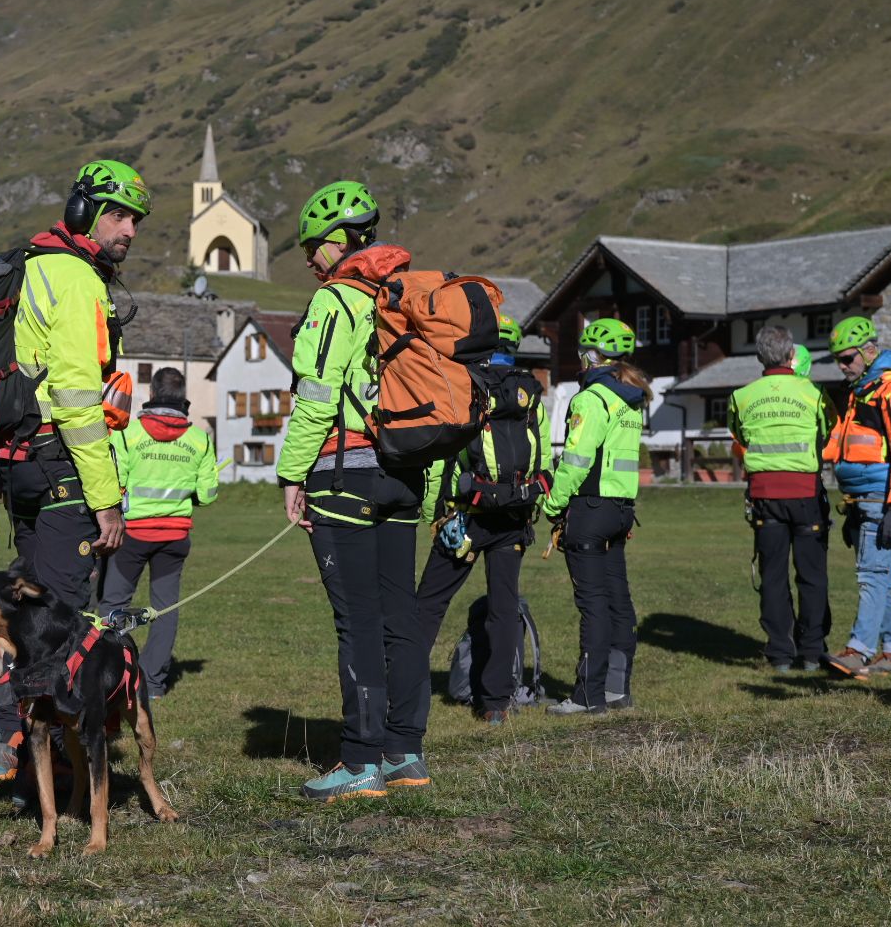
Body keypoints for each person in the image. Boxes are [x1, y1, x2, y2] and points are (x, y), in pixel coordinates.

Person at [0, 158, 151, 781]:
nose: (128, 230)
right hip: (60, 469)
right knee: (58, 628)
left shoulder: (27, 268)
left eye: (135, 219)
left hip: (18, 466)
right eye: (117, 214)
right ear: (83, 212)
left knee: (25, 620)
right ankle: (44, 768)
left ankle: (14, 756)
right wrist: (105, 498)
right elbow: (79, 397)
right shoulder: (78, 281)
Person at [277, 180, 427, 803]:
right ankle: (405, 753)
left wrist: (291, 474)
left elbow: (315, 398)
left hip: (345, 473)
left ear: (337, 243)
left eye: (313, 247)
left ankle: (360, 762)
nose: (310, 260)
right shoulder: (401, 300)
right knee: (401, 617)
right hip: (404, 476)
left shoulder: (335, 302)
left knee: (357, 621)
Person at [413, 314, 551, 725]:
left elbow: (443, 458)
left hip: (467, 518)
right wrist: (531, 507)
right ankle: (495, 704)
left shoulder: (464, 387)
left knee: (429, 604)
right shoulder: (529, 393)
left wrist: (432, 513)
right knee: (503, 608)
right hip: (514, 517)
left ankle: (401, 686)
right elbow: (541, 455)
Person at [541, 318, 650, 716]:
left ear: (590, 355)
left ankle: (587, 695)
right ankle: (617, 691)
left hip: (589, 508)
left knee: (593, 604)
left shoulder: (592, 399)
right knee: (618, 600)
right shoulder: (631, 397)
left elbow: (576, 460)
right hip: (621, 510)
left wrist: (553, 504)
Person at [98, 366, 219, 700]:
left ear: (151, 395)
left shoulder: (127, 433)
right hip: (175, 537)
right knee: (164, 609)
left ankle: (108, 676)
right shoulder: (200, 438)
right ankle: (152, 684)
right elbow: (208, 495)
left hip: (132, 535)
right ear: (183, 399)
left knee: (112, 605)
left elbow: (113, 482)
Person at [821, 316, 891, 679]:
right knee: (881, 576)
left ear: (869, 349)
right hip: (859, 498)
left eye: (847, 358)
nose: (843, 366)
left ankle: (858, 651)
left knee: (872, 575)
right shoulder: (863, 388)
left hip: (882, 497)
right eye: (839, 360)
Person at [728, 325, 833, 672]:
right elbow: (827, 430)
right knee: (812, 575)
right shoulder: (814, 392)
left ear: (760, 357)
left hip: (764, 495)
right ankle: (812, 652)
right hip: (805, 493)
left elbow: (739, 435)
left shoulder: (741, 396)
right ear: (792, 355)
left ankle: (779, 653)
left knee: (773, 575)